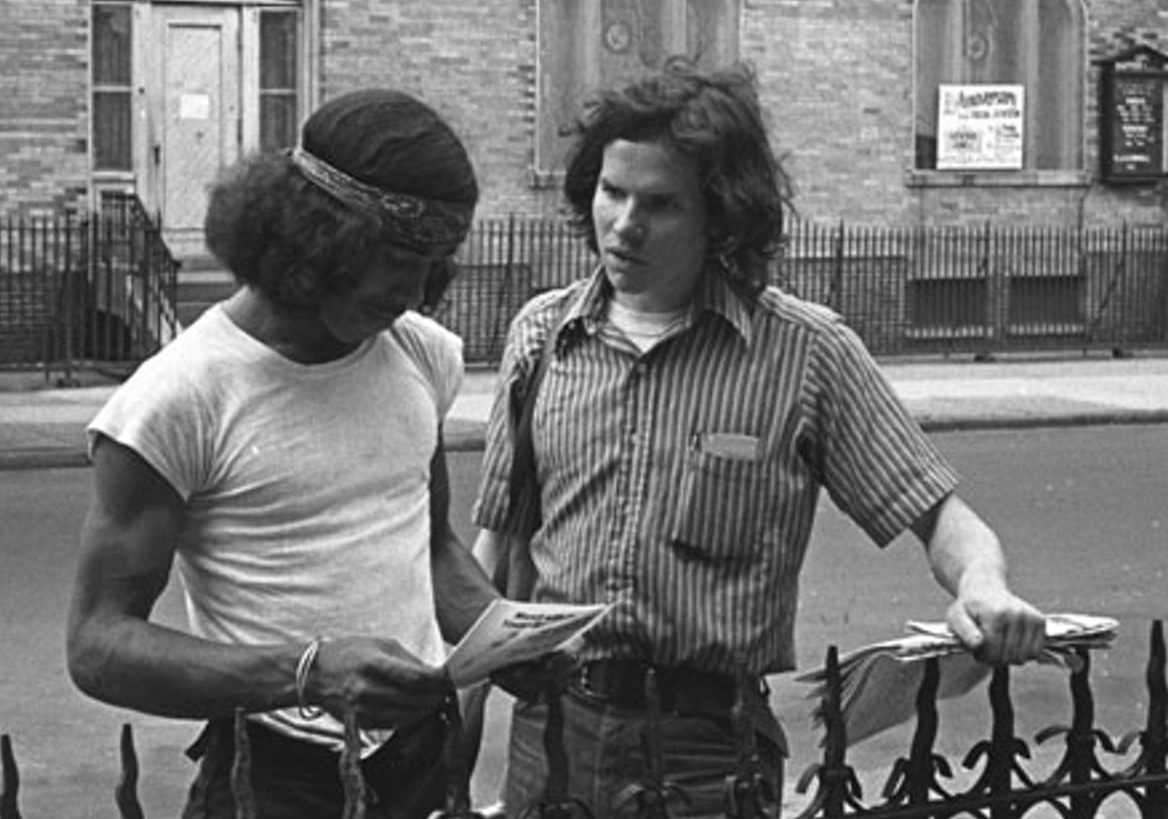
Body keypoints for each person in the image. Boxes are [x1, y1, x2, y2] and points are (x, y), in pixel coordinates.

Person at [471, 59, 1047, 817]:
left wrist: (984, 586)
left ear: (720, 217)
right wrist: (454, 734)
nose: (625, 224)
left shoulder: (806, 353)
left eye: (661, 203)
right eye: (612, 192)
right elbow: (497, 551)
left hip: (708, 753)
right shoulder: (542, 337)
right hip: (553, 734)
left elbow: (939, 514)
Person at [66, 89, 502, 819]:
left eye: (431, 264)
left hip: (421, 759)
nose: (414, 292)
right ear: (314, 238)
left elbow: (429, 550)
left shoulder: (422, 355)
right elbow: (98, 644)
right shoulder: (177, 398)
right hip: (271, 777)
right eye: (395, 260)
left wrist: (506, 634)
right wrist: (305, 672)